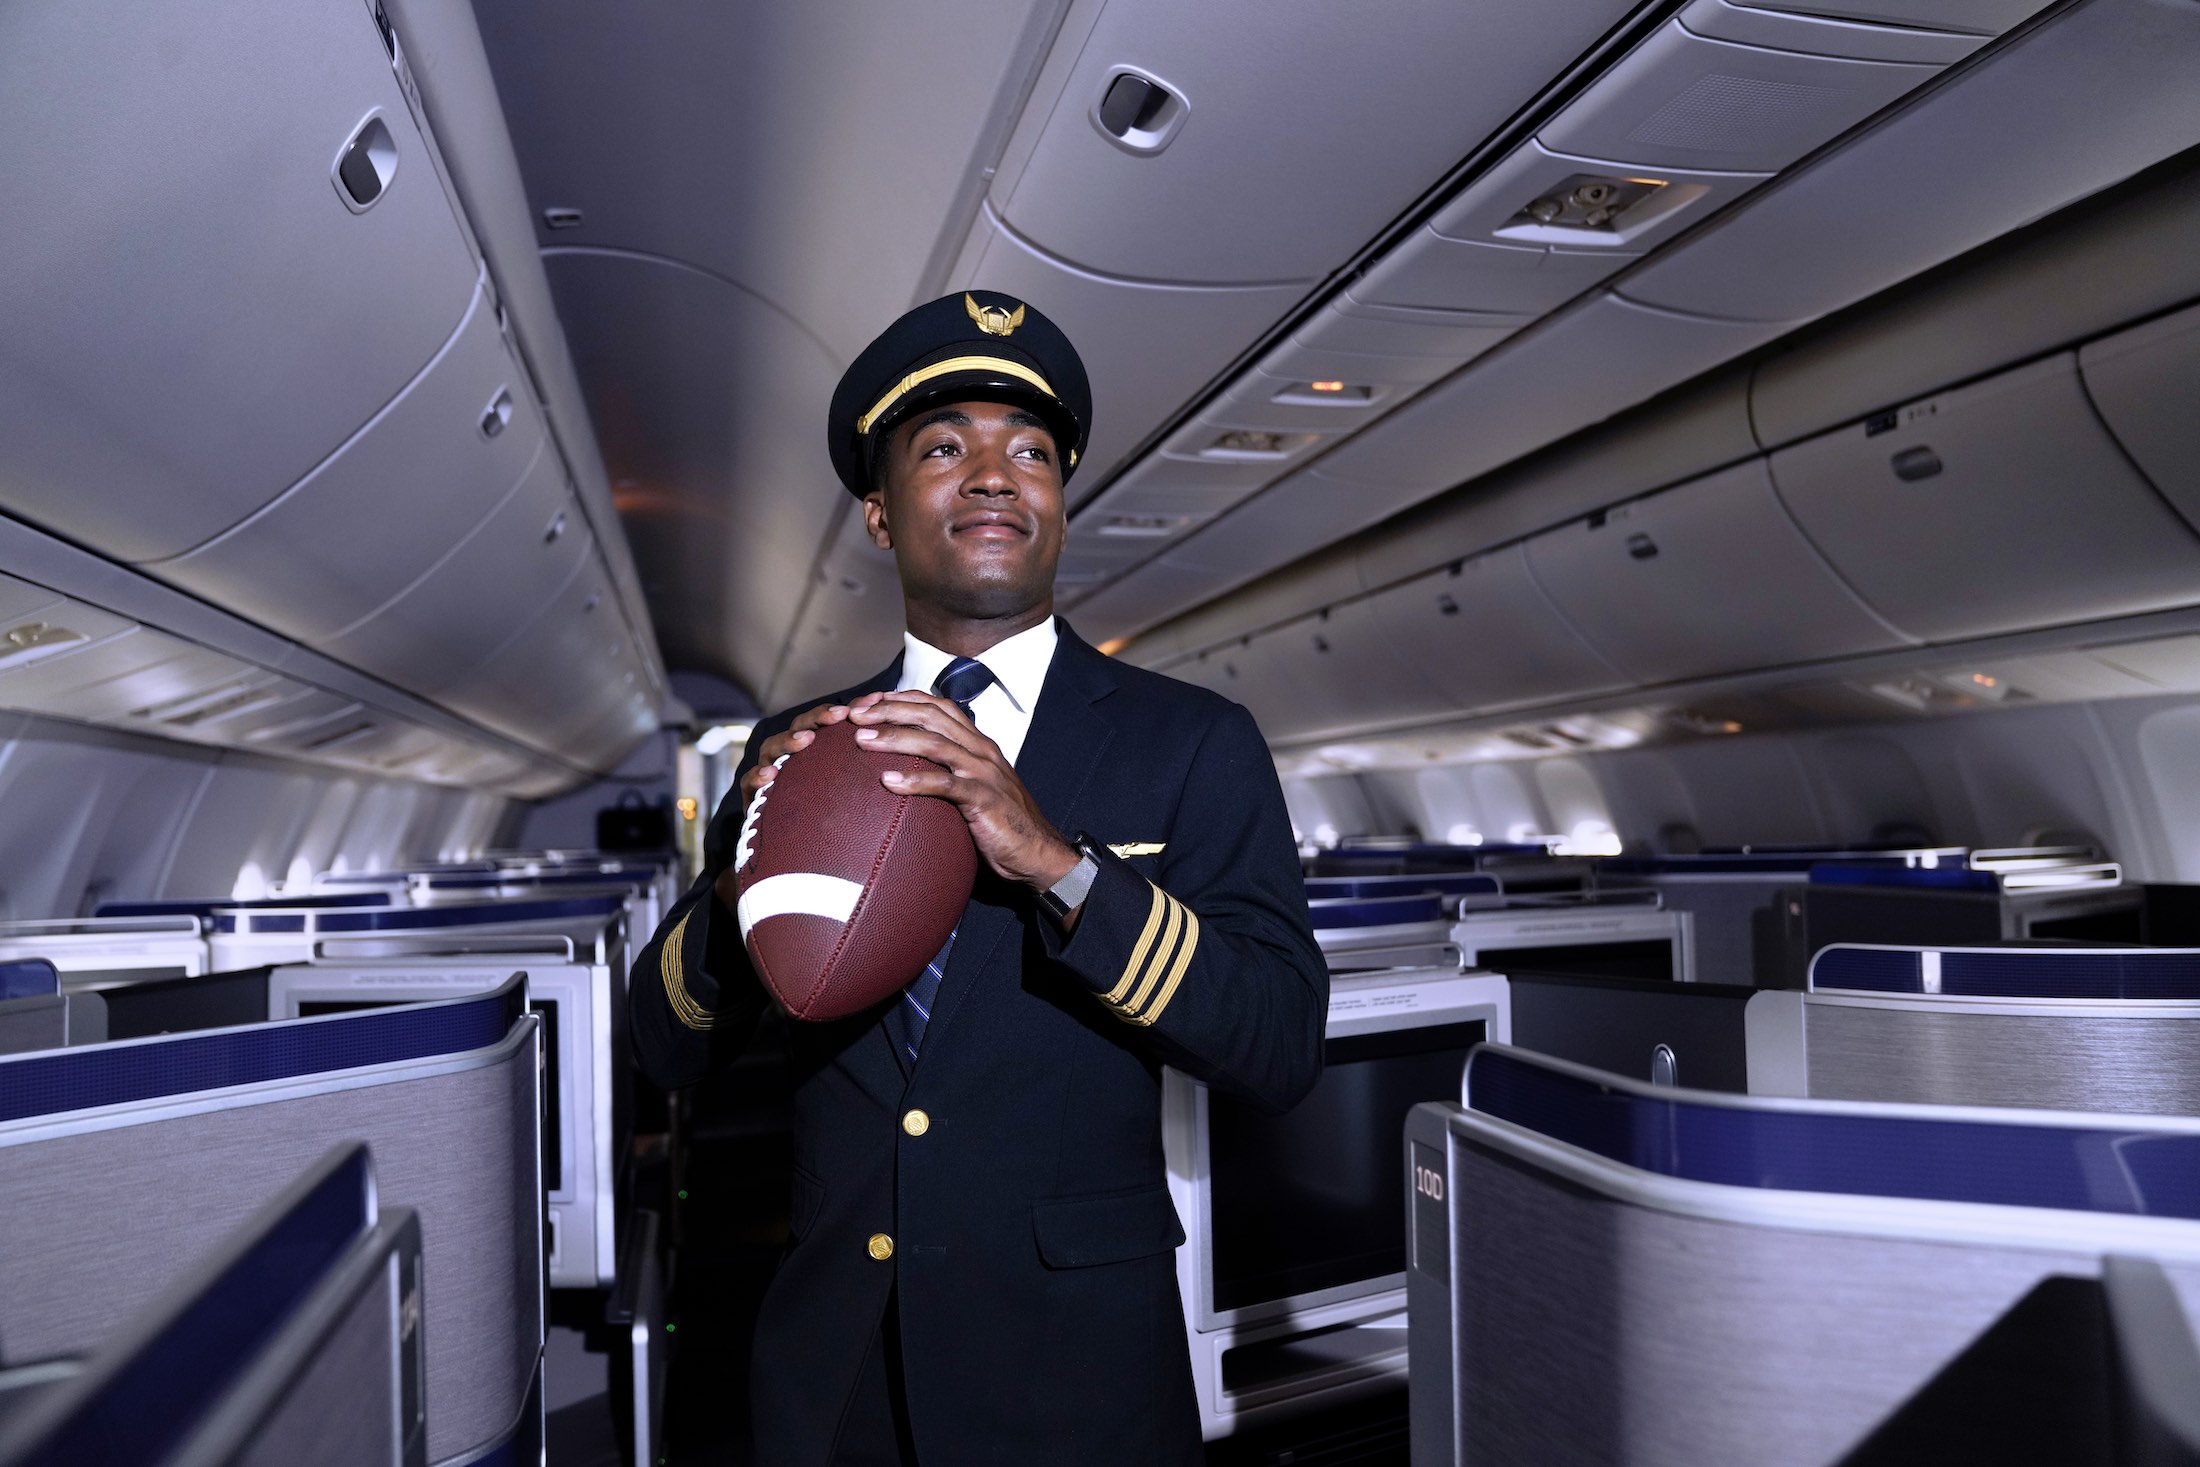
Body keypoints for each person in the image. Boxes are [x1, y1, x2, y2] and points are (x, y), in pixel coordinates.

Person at [628, 289, 1327, 1466]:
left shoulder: (1189, 741)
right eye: (945, 447)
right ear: (878, 515)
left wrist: (1057, 866)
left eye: (1031, 454)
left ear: (1058, 506)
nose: (995, 475)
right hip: (837, 1369)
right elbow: (664, 1048)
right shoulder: (796, 745)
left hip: (1077, 1369)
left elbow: (1278, 1043)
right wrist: (747, 864)